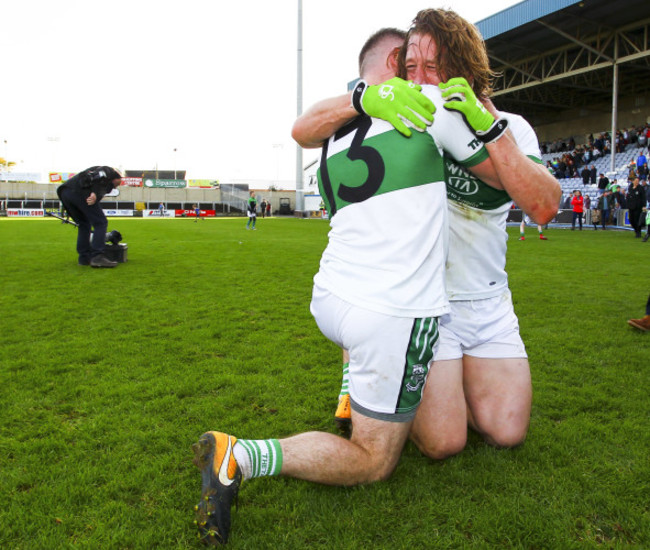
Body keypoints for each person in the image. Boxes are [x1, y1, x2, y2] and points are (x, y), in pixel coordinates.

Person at [191, 25, 505, 545]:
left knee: (364, 348)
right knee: (373, 459)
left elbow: (302, 127)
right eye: (410, 65)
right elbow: (499, 186)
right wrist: (485, 121)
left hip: (332, 297)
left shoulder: (335, 130)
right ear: (392, 67)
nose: (421, 75)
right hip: (390, 312)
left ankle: (350, 385)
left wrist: (361, 95)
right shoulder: (426, 104)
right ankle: (240, 456)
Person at [296, 8, 560, 460]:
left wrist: (488, 126)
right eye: (410, 67)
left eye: (432, 67)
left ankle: (419, 378)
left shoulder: (515, 128)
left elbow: (543, 206)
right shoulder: (407, 116)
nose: (418, 79)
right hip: (427, 304)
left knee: (506, 431)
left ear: (466, 68)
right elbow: (306, 127)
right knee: (444, 442)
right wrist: (365, 97)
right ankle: (363, 365)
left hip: (489, 301)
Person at [56, 166, 122, 267]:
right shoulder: (108, 171)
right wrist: (94, 192)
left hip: (65, 192)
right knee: (101, 222)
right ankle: (97, 257)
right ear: (116, 177)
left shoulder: (105, 186)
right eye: (117, 183)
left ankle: (84, 258)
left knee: (84, 224)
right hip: (78, 192)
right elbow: (95, 177)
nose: (116, 187)